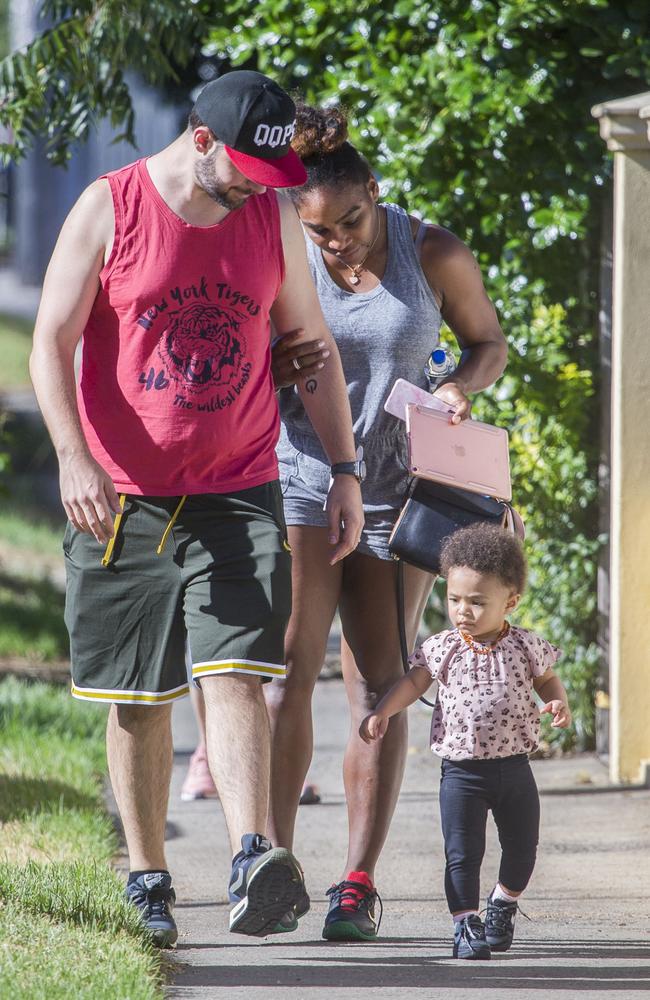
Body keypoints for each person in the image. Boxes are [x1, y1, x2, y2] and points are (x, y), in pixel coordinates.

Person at [29, 70, 364, 947]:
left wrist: (343, 467)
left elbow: (308, 341)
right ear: (204, 141)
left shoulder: (272, 215)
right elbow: (50, 341)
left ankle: (255, 854)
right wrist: (72, 458)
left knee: (239, 670)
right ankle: (148, 877)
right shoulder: (110, 207)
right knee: (138, 696)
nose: (264, 190)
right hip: (121, 493)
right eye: (252, 171)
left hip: (239, 483)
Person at [264, 103, 509, 941]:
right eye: (320, 232)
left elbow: (488, 341)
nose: (338, 246)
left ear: (376, 190)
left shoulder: (428, 249)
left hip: (403, 496)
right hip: (300, 482)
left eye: (352, 222)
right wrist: (270, 362)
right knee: (286, 679)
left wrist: (459, 387)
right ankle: (271, 867)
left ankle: (357, 885)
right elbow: (242, 352)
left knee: (381, 679)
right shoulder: (286, 250)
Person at [360, 524, 572, 959]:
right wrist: (384, 710)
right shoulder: (443, 647)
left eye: (477, 602)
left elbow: (549, 681)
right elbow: (414, 680)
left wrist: (556, 704)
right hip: (461, 773)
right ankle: (464, 924)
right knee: (462, 854)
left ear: (510, 601)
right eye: (455, 600)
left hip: (514, 767)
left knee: (522, 849)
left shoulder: (526, 645)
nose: (463, 611)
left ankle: (502, 903)